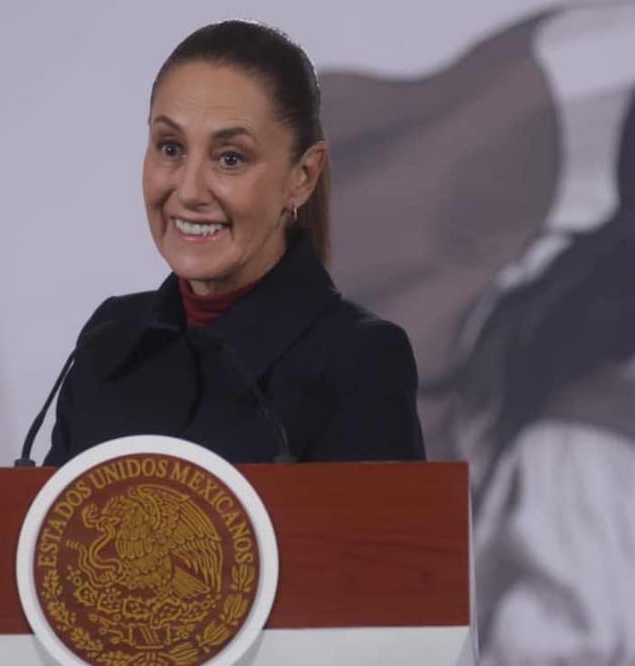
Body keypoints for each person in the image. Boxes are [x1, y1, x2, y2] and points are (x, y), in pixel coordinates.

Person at [43, 20, 424, 466]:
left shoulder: (360, 359)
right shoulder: (108, 338)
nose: (189, 191)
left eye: (230, 158)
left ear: (302, 177)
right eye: (170, 148)